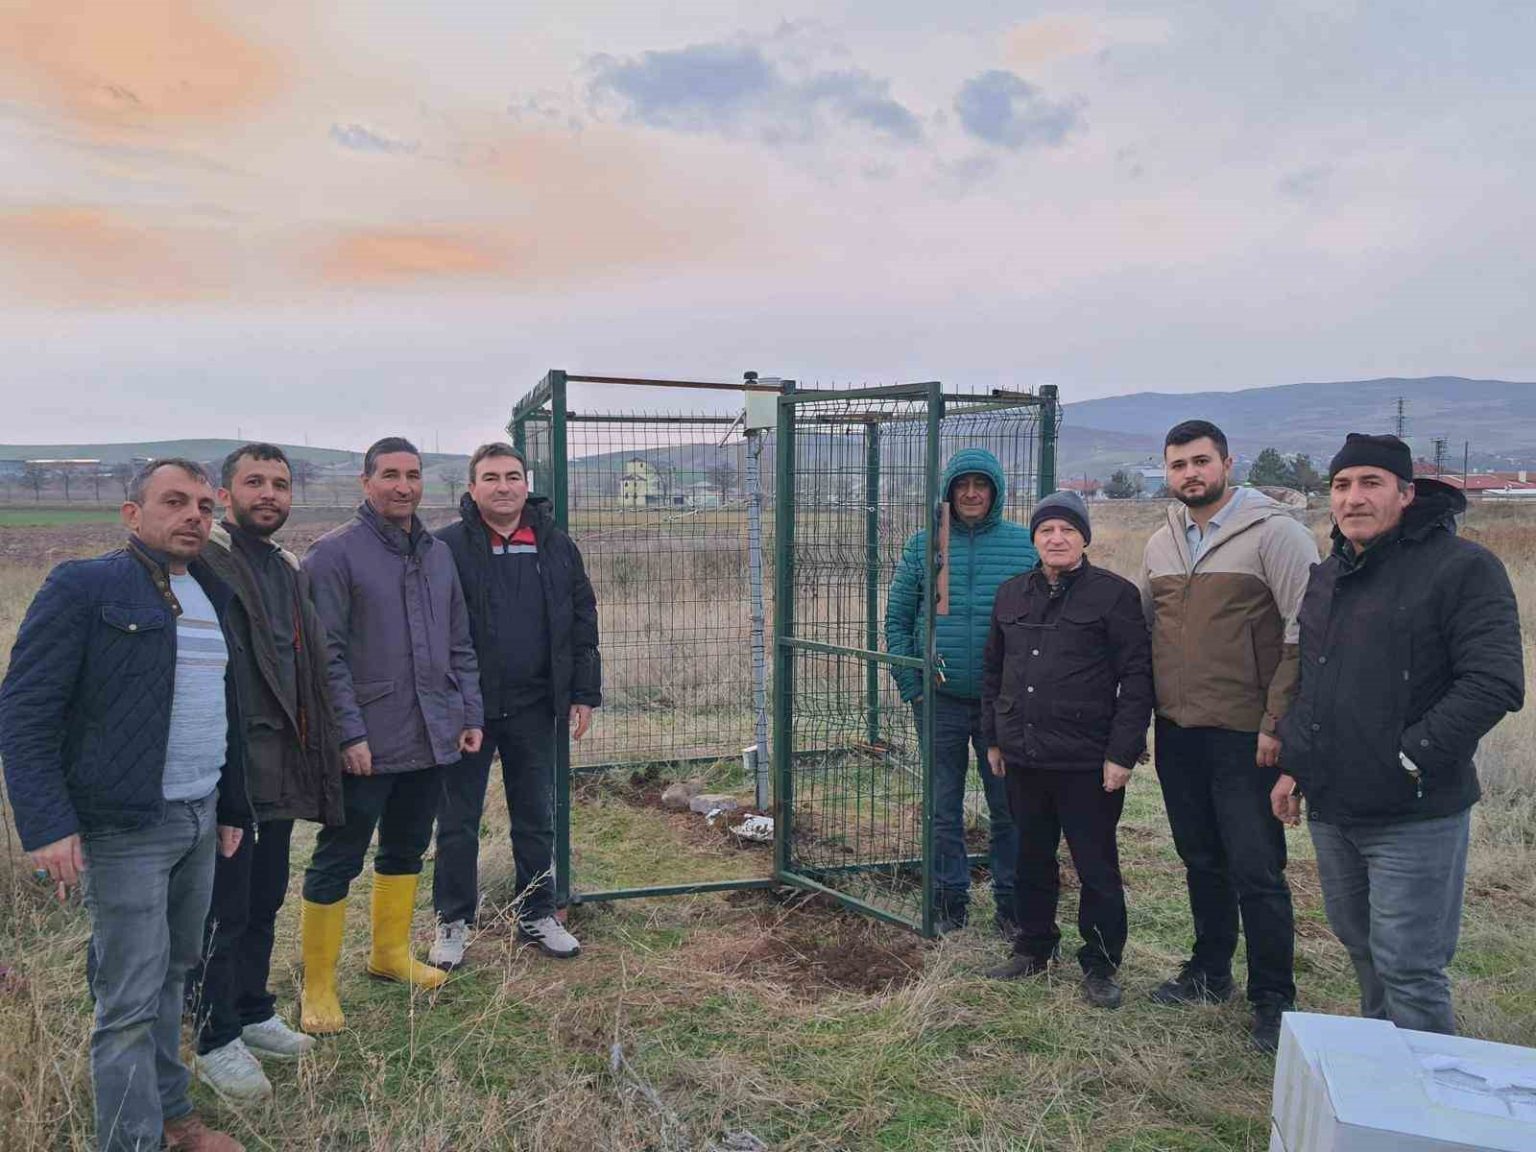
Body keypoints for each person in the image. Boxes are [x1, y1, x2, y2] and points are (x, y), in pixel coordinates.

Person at [0, 459, 248, 1152]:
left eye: (204, 505)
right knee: (130, 998)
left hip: (198, 815)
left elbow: (224, 710)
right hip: (123, 827)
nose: (193, 515)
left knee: (174, 975)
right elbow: (25, 711)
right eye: (174, 501)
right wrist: (48, 825)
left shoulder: (213, 592)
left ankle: (173, 1118)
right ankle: (130, 1141)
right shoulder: (84, 586)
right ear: (132, 514)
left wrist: (231, 805)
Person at [1273, 433, 1523, 1035]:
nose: (1353, 498)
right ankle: (1385, 1074)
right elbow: (1315, 679)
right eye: (1341, 485)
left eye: (1370, 483)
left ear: (1407, 494)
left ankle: (1428, 1085)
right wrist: (1296, 765)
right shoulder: (1329, 575)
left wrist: (1411, 757)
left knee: (1410, 966)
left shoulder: (1462, 569)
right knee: (1361, 948)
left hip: (1414, 812)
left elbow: (1494, 682)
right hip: (1334, 808)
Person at [1139, 420, 1318, 1052]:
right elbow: (1148, 632)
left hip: (1247, 736)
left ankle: (1273, 997)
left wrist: (1277, 724)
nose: (1190, 474)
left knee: (1256, 868)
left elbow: (1304, 634)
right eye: (1178, 464)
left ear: (1226, 463)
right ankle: (1210, 971)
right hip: (1179, 731)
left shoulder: (1276, 534)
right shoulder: (1161, 543)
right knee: (1200, 859)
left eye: (1200, 461)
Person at [297, 437, 483, 1033]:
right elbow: (323, 657)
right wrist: (347, 733)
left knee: (406, 848)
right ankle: (318, 986)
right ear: (366, 481)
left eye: (413, 474)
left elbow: (459, 642)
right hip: (366, 743)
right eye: (390, 475)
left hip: (430, 735)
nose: (404, 486)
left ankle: (389, 955)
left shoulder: (436, 554)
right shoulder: (333, 555)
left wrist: (468, 714)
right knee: (338, 857)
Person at [184, 444, 345, 1101]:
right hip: (228, 770)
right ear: (226, 495)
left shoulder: (284, 566)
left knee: (264, 897)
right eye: (254, 482)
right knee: (221, 910)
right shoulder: (203, 562)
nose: (269, 494)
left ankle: (252, 1010)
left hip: (278, 767)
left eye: (280, 483)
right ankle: (213, 1036)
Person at [428, 443, 601, 968]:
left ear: (526, 484)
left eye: (511, 476)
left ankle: (536, 913)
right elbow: (430, 629)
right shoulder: (446, 547)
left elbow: (581, 619)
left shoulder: (556, 545)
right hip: (468, 710)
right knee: (458, 820)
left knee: (534, 816)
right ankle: (453, 920)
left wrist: (583, 692)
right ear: (472, 487)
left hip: (535, 705)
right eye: (490, 478)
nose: (502, 486)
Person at [982, 492, 1153, 1008]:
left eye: (1067, 530)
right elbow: (994, 671)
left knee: (1095, 866)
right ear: (1034, 539)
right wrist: (994, 737)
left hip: (1087, 763)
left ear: (1084, 538)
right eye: (1046, 530)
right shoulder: (1011, 594)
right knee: (1031, 857)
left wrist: (1122, 753)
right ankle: (1033, 946)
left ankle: (1100, 963)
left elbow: (1137, 679)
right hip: (1024, 756)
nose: (1056, 539)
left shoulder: (1114, 596)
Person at [886, 448, 1035, 934]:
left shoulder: (1023, 546)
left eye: (981, 484)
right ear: (948, 492)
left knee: (1008, 808)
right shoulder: (925, 546)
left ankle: (1012, 905)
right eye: (962, 485)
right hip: (940, 703)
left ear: (996, 491)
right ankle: (949, 901)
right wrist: (915, 688)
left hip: (1003, 706)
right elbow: (897, 621)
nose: (971, 493)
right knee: (942, 807)